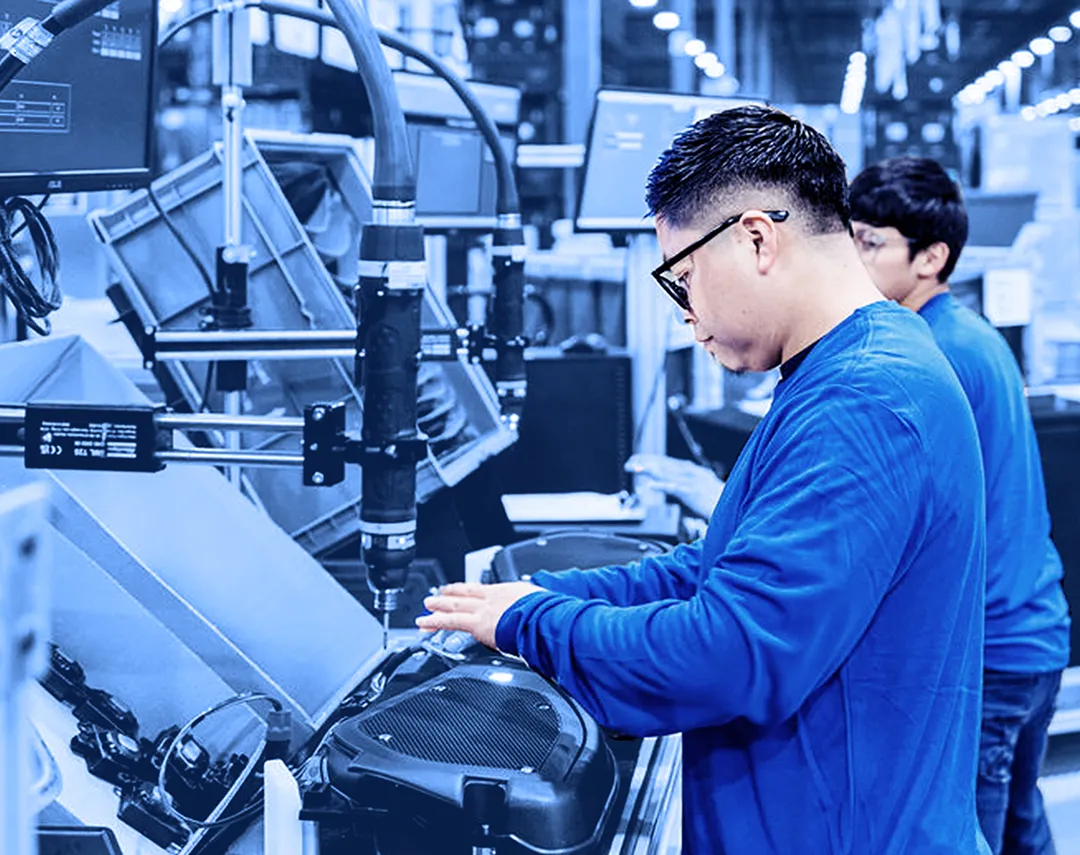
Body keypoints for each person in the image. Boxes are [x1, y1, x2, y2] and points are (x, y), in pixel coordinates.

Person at [418, 106, 990, 855]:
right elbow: (715, 570)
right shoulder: (846, 367)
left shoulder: (865, 401)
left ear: (756, 237)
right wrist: (543, 597)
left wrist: (535, 625)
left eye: (684, 277)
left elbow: (733, 651)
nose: (688, 315)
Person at [849, 155, 1071, 855]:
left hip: (993, 652)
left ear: (931, 257)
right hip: (1034, 636)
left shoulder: (929, 352)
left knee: (968, 836)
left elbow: (895, 515)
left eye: (871, 243)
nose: (852, 259)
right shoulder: (967, 334)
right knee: (1020, 831)